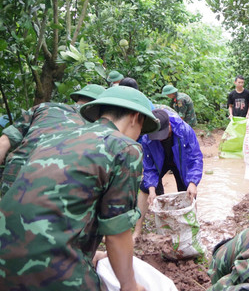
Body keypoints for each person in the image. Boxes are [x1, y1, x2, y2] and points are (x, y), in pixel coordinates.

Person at [0, 86, 159, 290]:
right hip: (52, 272)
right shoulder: (124, 147)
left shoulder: (57, 138)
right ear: (135, 117)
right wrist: (129, 285)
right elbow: (116, 232)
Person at [0, 84, 105, 195]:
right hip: (51, 186)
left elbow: (4, 141)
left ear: (78, 98)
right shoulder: (98, 127)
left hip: (13, 175)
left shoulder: (44, 107)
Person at [132, 108, 203, 240]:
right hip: (161, 159)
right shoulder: (148, 137)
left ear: (169, 126)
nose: (159, 139)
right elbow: (149, 167)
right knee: (145, 188)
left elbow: (195, 158)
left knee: (188, 191)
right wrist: (152, 189)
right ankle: (137, 230)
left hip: (180, 160)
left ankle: (194, 229)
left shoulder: (184, 130)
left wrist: (193, 183)